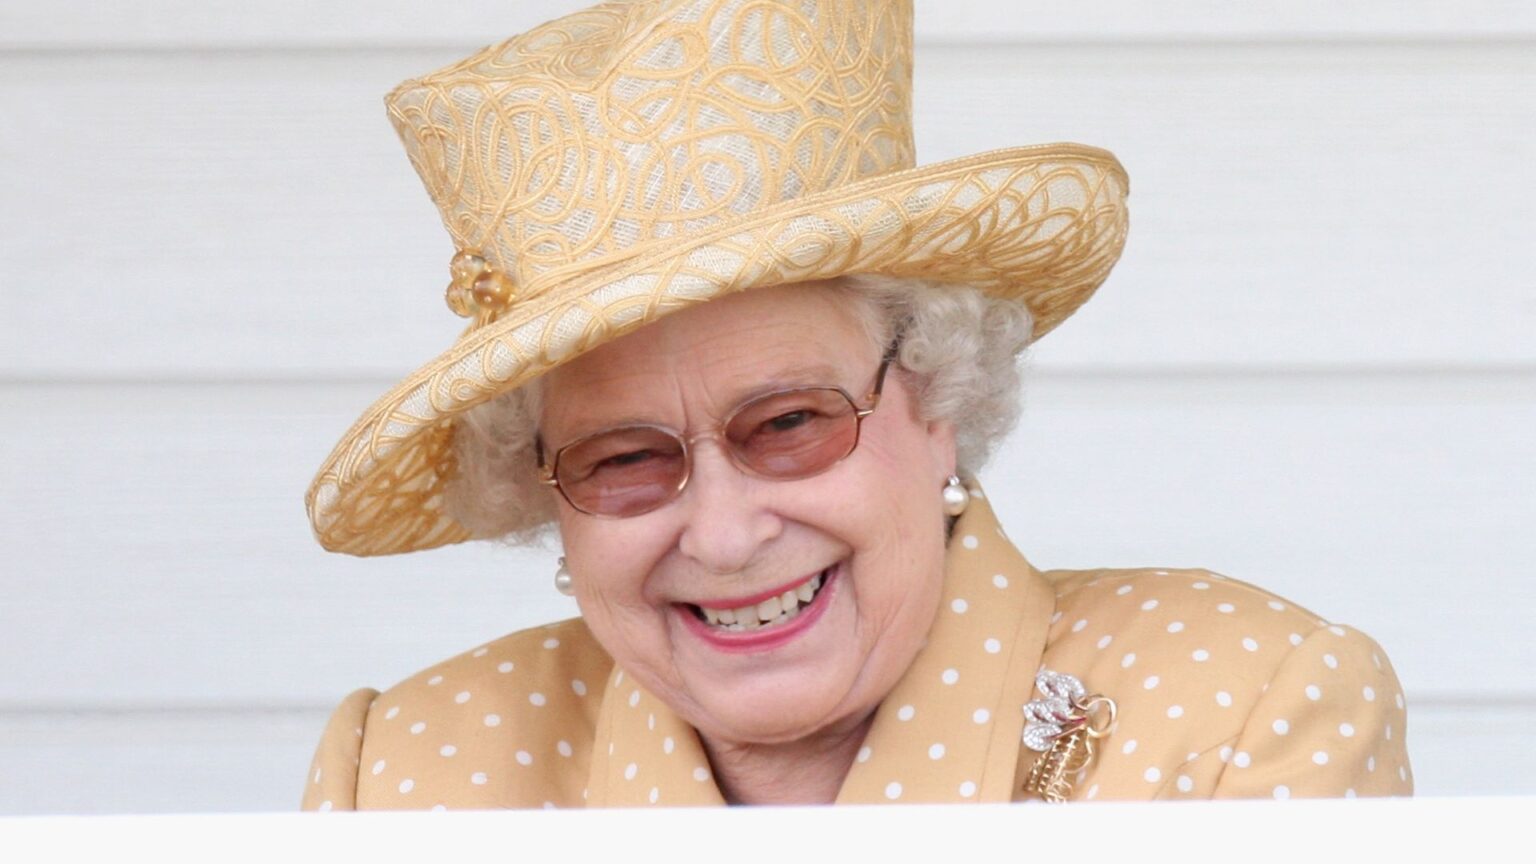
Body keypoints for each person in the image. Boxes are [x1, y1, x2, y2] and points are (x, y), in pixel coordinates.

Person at [301, 0, 1411, 809]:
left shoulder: (1241, 712)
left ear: (938, 399)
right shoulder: (403, 772)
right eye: (621, 459)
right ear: (549, 500)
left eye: (790, 425)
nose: (726, 536)